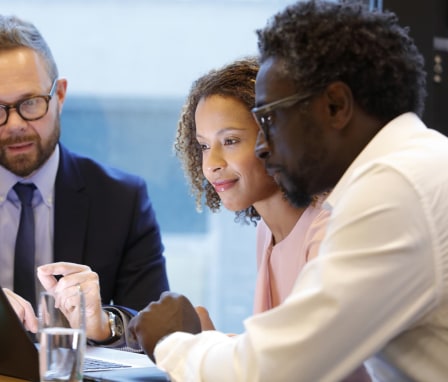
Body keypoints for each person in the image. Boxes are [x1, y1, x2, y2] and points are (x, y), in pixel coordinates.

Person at [129, 1, 448, 381]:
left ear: (335, 105)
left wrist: (171, 341)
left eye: (269, 118)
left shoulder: (393, 189)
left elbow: (275, 371)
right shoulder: (416, 165)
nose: (264, 145)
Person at [0, 14, 169, 346]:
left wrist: (103, 324)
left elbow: (157, 327)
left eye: (31, 103)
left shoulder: (123, 200)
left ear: (60, 95)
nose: (15, 124)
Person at [174, 57, 329, 321]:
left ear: (280, 137)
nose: (211, 165)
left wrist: (203, 346)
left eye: (230, 141)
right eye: (204, 146)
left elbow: (305, 358)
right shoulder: (265, 232)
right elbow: (275, 350)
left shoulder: (327, 231)